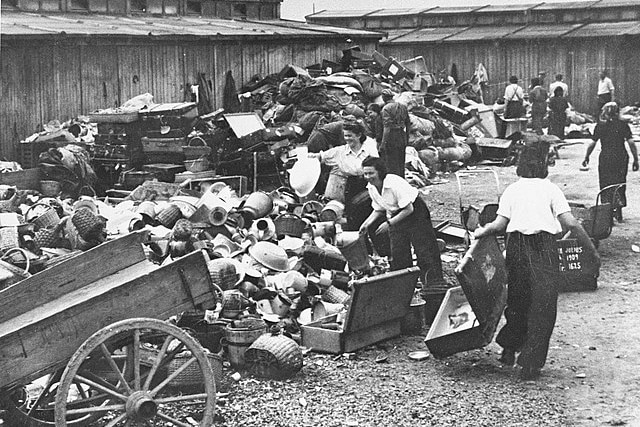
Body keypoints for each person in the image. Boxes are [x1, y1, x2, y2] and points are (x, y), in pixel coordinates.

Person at [474, 140, 599, 380]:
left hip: (517, 247)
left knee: (518, 299)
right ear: (543, 165)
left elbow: (500, 225)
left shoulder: (512, 189)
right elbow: (570, 223)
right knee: (543, 304)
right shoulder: (550, 189)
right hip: (543, 248)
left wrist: (481, 232)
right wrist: (591, 251)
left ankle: (509, 347)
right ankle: (530, 363)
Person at [359, 156, 444, 287]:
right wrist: (365, 224)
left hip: (415, 212)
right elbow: (379, 209)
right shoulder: (371, 187)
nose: (368, 176)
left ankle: (434, 284)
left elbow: (409, 209)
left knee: (424, 249)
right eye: (365, 173)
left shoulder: (394, 183)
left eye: (371, 173)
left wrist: (389, 224)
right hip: (396, 214)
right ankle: (406, 284)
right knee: (398, 252)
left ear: (380, 172)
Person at [308, 118, 378, 231]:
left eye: (350, 135)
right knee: (354, 217)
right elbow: (320, 156)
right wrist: (309, 156)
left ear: (359, 135)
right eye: (345, 136)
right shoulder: (340, 151)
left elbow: (376, 163)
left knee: (372, 217)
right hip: (351, 186)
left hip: (368, 183)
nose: (347, 139)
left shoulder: (369, 145)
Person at [583, 102, 639, 222]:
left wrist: (586, 157)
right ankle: (619, 211)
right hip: (621, 156)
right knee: (620, 181)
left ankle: (607, 212)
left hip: (606, 157)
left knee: (606, 183)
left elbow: (592, 143)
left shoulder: (600, 126)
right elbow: (631, 143)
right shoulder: (623, 125)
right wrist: (636, 159)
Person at [380, 89, 411, 177]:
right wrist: (407, 137)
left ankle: (394, 181)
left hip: (391, 136)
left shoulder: (386, 108)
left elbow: (387, 127)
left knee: (391, 162)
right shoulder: (403, 106)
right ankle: (402, 180)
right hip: (401, 134)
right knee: (401, 160)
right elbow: (408, 123)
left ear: (383, 97)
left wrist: (383, 143)